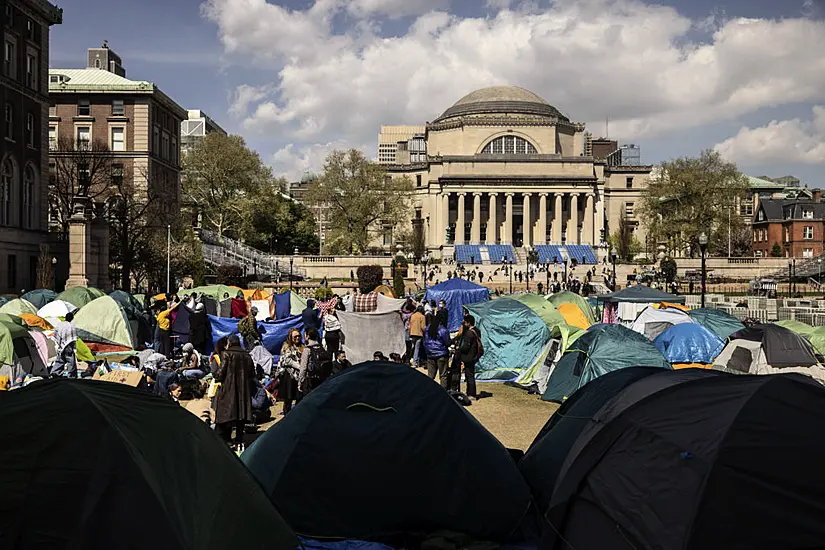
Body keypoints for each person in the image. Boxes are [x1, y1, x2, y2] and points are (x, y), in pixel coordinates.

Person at [213, 335, 254, 452]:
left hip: (229, 389)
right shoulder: (247, 355)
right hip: (244, 391)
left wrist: (215, 375)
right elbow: (252, 374)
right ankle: (239, 439)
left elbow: (220, 374)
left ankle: (227, 439)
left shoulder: (226, 354)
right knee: (241, 415)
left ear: (230, 343)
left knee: (227, 414)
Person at [453, 314, 481, 399]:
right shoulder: (477, 330)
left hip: (469, 356)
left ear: (468, 323)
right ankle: (470, 392)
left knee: (469, 375)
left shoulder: (469, 333)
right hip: (474, 355)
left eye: (465, 322)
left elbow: (465, 347)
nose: (464, 324)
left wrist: (459, 348)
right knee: (470, 374)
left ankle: (471, 394)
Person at [278, 328, 302, 415]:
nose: (297, 338)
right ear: (290, 337)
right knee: (288, 398)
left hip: (300, 376)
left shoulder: (302, 347)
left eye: (299, 336)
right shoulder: (286, 346)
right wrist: (299, 366)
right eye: (295, 336)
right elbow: (287, 360)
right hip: (289, 376)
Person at [423, 313, 451, 388]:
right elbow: (447, 342)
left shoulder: (427, 328)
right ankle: (443, 393)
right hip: (441, 354)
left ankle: (428, 391)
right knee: (443, 375)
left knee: (430, 376)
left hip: (430, 354)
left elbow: (425, 340)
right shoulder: (443, 330)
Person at [50, 311, 78, 378]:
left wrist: (59, 344)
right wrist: (74, 348)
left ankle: (55, 373)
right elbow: (72, 338)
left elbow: (56, 335)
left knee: (60, 360)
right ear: (71, 318)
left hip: (60, 345)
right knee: (71, 361)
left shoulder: (60, 324)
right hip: (68, 345)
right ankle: (71, 375)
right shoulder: (72, 325)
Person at [299, 328, 326, 396]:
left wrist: (300, 382)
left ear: (307, 336)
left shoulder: (307, 350)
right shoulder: (322, 348)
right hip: (321, 379)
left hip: (310, 380)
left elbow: (303, 367)